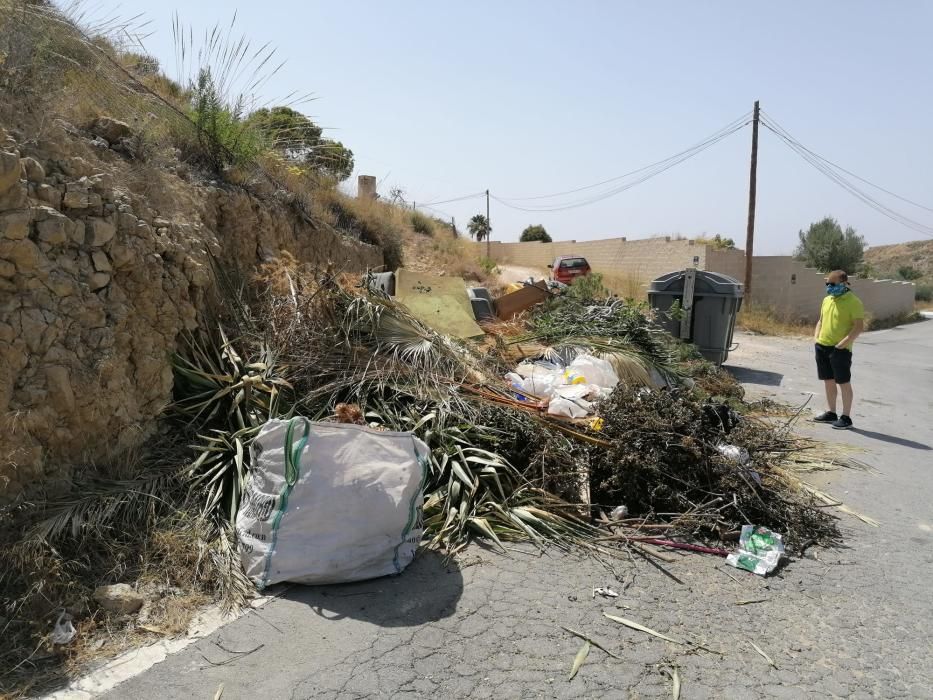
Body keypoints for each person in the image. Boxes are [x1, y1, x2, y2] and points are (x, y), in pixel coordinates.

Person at [812, 270, 864, 430]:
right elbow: (820, 320)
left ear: (843, 283)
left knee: (843, 382)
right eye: (827, 283)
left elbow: (858, 327)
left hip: (840, 349)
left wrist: (842, 344)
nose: (829, 287)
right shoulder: (827, 300)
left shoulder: (854, 302)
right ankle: (832, 413)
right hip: (822, 346)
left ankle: (846, 417)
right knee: (828, 380)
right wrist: (816, 338)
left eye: (832, 284)